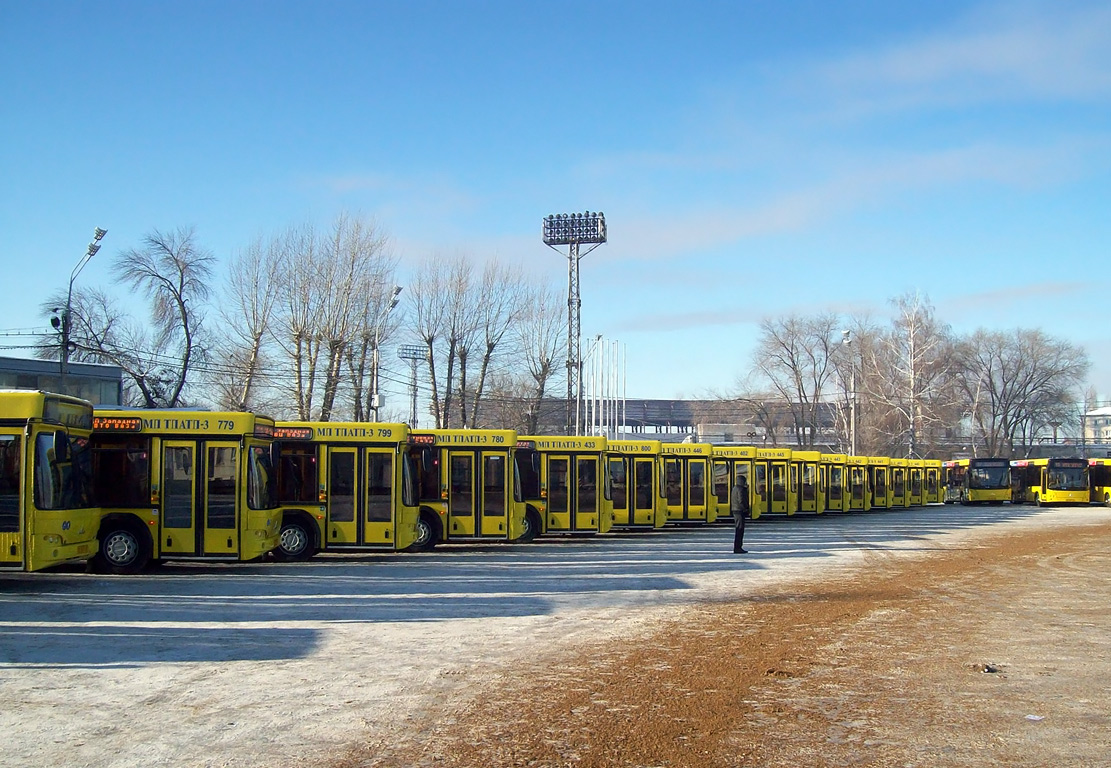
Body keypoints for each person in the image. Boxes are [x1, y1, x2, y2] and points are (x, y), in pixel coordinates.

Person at [731, 474, 750, 554]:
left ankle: (737, 547)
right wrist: (746, 508)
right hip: (740, 511)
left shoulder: (735, 488)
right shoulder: (741, 489)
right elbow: (741, 500)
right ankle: (738, 547)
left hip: (735, 510)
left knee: (738, 529)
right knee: (740, 530)